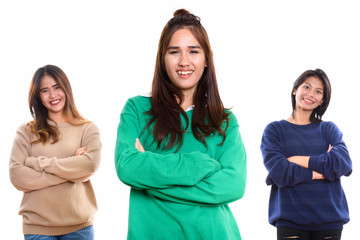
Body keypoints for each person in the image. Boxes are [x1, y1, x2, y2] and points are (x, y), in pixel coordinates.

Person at [114, 9, 247, 240]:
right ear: (162, 59)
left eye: (193, 51)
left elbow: (234, 185)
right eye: (174, 52)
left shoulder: (224, 121)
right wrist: (201, 164)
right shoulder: (137, 109)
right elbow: (126, 166)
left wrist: (151, 181)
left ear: (206, 60)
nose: (184, 61)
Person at [9, 65, 101, 240]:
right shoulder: (26, 131)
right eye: (45, 90)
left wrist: (36, 163)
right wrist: (72, 168)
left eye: (57, 87)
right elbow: (16, 176)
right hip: (38, 228)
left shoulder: (87, 128)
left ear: (66, 88)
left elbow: (89, 165)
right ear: (38, 96)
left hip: (79, 226)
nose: (53, 95)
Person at [261, 69, 352, 240]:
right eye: (307, 87)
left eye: (318, 92)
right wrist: (319, 171)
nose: (311, 94)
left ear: (322, 100)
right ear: (295, 89)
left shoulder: (328, 129)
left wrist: (296, 160)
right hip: (290, 218)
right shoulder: (274, 130)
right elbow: (279, 171)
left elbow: (343, 163)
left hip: (329, 219)